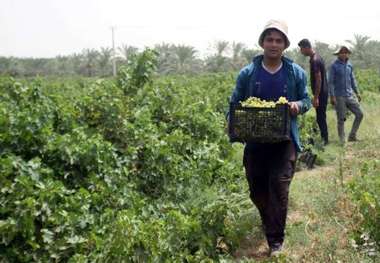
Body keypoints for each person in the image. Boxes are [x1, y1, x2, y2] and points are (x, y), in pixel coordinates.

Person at [228, 20, 311, 257]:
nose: (274, 44)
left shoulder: (295, 73)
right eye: (269, 39)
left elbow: (306, 100)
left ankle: (276, 242)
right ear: (262, 42)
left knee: (279, 188)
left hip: (284, 143)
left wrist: (297, 105)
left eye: (278, 40)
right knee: (257, 191)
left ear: (285, 44)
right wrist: (230, 121)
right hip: (256, 143)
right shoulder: (248, 73)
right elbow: (235, 103)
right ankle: (268, 222)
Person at [328, 46, 363, 144]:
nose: (344, 54)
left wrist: (357, 92)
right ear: (338, 54)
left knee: (360, 114)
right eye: (341, 52)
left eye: (345, 52)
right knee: (341, 118)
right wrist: (332, 96)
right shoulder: (334, 66)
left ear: (347, 54)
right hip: (339, 96)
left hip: (349, 95)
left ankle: (352, 135)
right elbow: (330, 82)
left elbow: (352, 80)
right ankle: (342, 140)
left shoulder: (349, 66)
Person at [298, 39, 329, 145]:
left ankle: (325, 141)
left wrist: (316, 97)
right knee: (321, 116)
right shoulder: (317, 57)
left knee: (321, 117)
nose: (301, 51)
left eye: (301, 49)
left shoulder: (315, 60)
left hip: (321, 93)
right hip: (323, 91)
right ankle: (323, 138)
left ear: (306, 47)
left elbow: (319, 79)